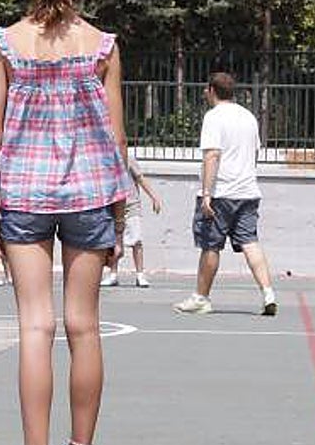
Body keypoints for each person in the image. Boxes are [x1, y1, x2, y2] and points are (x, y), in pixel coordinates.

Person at [0, 0, 131, 445]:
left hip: (24, 193)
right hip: (91, 193)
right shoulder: (103, 46)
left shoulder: (6, 42)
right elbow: (116, 137)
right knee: (84, 326)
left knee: (34, 327)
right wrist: (120, 209)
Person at [173, 72, 277, 316]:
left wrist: (207, 194)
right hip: (247, 192)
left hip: (221, 193)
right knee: (250, 242)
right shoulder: (249, 117)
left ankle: (201, 298)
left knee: (211, 245)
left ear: (211, 90)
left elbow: (212, 155)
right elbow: (255, 154)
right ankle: (268, 292)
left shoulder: (214, 117)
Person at [101, 160, 163, 288]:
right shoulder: (106, 159)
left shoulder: (129, 159)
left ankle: (140, 274)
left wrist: (154, 197)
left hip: (131, 205)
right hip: (112, 206)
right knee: (113, 243)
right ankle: (113, 274)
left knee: (136, 240)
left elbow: (140, 179)